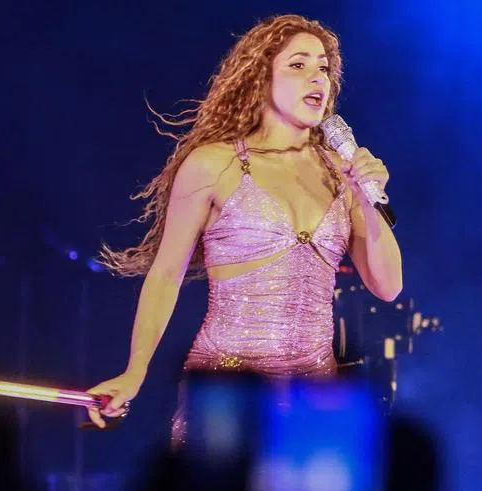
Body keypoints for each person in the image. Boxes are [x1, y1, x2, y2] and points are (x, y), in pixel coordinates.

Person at [85, 14, 404, 439]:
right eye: (299, 65)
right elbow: (165, 275)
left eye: (324, 67)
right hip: (227, 387)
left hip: (314, 394)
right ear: (261, 77)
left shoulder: (341, 173)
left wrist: (366, 194)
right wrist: (135, 370)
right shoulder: (214, 164)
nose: (317, 77)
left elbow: (388, 286)